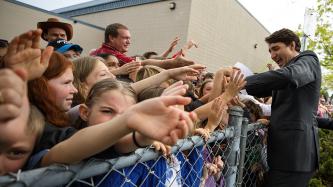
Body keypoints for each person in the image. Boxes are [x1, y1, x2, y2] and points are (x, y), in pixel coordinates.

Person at [243, 28, 321, 186]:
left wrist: (243, 81)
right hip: (286, 156)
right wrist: (235, 84)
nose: (272, 55)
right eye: (270, 51)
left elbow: (290, 76)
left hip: (294, 158)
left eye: (276, 48)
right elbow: (262, 87)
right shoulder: (284, 74)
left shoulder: (308, 59)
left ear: (292, 45)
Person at [90, 23, 194, 69]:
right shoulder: (113, 55)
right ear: (112, 38)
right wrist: (184, 49)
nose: (129, 42)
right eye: (125, 38)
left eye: (129, 38)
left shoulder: (97, 52)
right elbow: (143, 63)